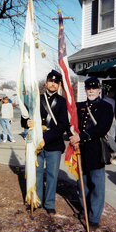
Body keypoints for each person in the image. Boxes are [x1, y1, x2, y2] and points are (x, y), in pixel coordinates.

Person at [69, 76, 113, 231]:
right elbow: (70, 113)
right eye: (88, 88)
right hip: (81, 151)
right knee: (82, 184)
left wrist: (80, 137)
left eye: (94, 88)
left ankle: (94, 217)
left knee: (96, 186)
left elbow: (102, 128)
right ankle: (84, 210)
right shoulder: (80, 106)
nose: (91, 91)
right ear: (85, 90)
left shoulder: (106, 107)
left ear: (99, 90)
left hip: (96, 151)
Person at [27, 70, 69, 215]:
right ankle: (37, 200)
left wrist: (46, 138)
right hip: (37, 141)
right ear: (46, 82)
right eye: (50, 81)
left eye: (56, 82)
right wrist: (27, 122)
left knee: (52, 175)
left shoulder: (63, 102)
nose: (53, 84)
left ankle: (49, 203)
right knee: (37, 173)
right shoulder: (36, 99)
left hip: (53, 142)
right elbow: (25, 117)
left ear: (59, 85)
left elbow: (63, 124)